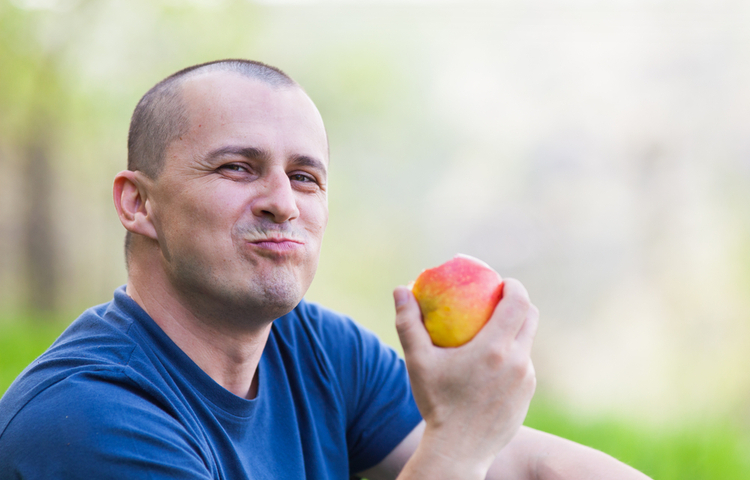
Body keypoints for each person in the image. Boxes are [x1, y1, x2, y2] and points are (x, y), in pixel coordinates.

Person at [0, 59, 650, 479]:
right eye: (237, 167)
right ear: (139, 203)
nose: (283, 201)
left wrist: (473, 435)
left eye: (305, 177)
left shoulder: (314, 349)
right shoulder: (85, 422)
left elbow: (524, 465)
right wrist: (456, 442)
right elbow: (468, 452)